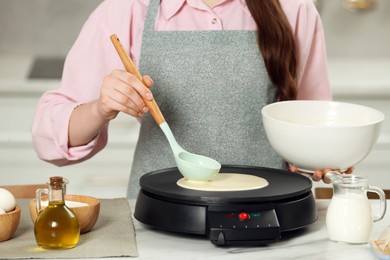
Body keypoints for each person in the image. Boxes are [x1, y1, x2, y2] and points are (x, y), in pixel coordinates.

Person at [32, 0, 346, 199]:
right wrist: (101, 108)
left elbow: (311, 126)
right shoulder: (127, 9)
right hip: (158, 217)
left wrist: (323, 156)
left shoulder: (295, 9)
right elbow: (51, 141)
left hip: (268, 214)